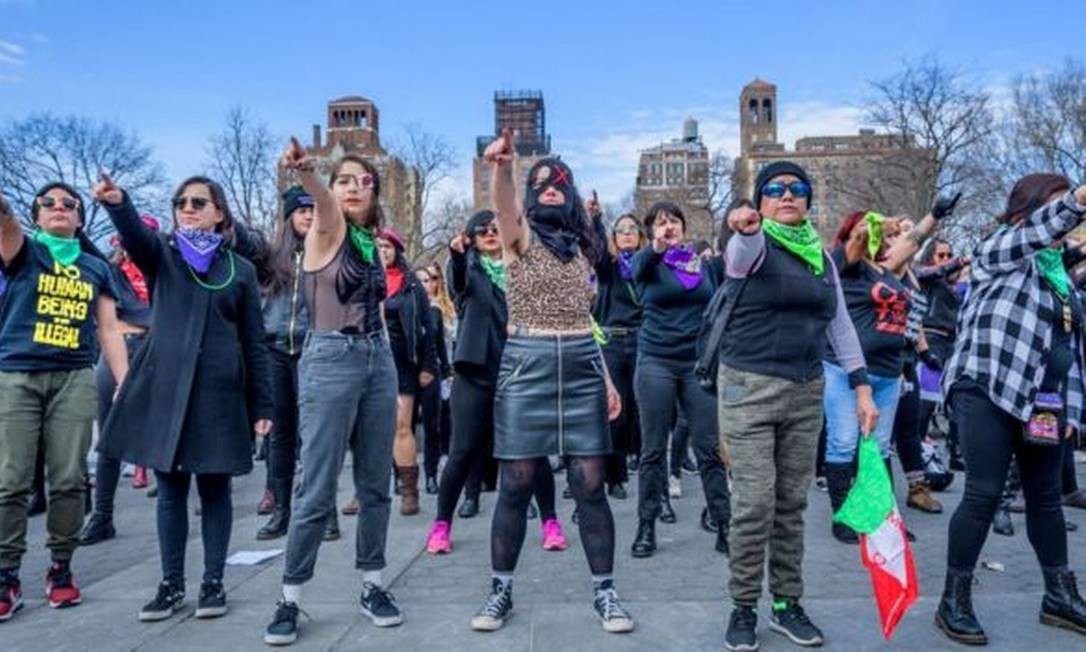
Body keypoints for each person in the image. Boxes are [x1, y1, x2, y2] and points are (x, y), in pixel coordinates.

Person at [469, 129, 633, 634]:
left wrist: (606, 379)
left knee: (590, 483)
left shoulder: (584, 248)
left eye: (559, 179)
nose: (550, 185)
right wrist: (503, 169)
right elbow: (503, 206)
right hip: (529, 363)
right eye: (540, 181)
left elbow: (588, 320)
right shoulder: (519, 237)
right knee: (516, 483)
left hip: (582, 360)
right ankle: (501, 591)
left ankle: (605, 594)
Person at [93, 173, 272, 622]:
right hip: (166, 388)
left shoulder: (240, 270)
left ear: (219, 213)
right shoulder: (164, 258)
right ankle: (171, 584)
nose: (187, 208)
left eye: (198, 202)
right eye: (180, 202)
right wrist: (119, 203)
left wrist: (263, 406)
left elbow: (254, 341)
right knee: (170, 490)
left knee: (214, 489)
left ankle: (213, 583)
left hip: (219, 393)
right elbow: (136, 238)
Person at [719, 162, 878, 651]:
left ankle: (787, 603)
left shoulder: (822, 259)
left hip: (806, 389)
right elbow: (738, 257)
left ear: (809, 200)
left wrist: (862, 387)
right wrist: (745, 228)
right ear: (759, 202)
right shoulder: (752, 242)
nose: (787, 196)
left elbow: (841, 326)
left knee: (791, 505)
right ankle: (743, 606)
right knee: (754, 503)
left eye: (797, 189)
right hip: (748, 387)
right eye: (775, 189)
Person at [936, 174, 1086, 645]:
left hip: (1043, 400)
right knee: (982, 492)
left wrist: (1073, 414)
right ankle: (953, 600)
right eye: (1056, 208)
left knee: (1044, 498)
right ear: (1030, 208)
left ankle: (1059, 597)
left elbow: (1071, 348)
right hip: (986, 387)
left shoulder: (1058, 275)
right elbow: (1039, 231)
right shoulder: (999, 248)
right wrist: (1079, 199)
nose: (1064, 222)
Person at [264, 140, 400, 646]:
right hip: (331, 358)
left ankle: (372, 585)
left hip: (377, 359)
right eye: (346, 179)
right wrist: (309, 174)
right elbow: (321, 202)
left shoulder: (371, 242)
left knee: (374, 483)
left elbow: (378, 307)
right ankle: (290, 598)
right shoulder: (327, 229)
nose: (355, 187)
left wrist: (385, 359)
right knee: (316, 487)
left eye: (365, 181)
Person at [0, 182, 128, 621]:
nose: (58, 208)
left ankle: (60, 568)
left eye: (68, 204)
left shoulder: (96, 267)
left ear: (79, 218)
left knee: (70, 478)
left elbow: (109, 328)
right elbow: (6, 226)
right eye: (48, 203)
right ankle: (6, 575)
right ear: (36, 215)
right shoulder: (26, 253)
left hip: (74, 376)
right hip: (16, 375)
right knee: (12, 480)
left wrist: (123, 381)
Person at [425, 210, 566, 555]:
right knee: (461, 451)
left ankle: (550, 522)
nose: (490, 232)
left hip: (520, 371)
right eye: (482, 230)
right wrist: (457, 255)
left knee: (533, 450)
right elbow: (456, 280)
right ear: (471, 238)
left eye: (495, 228)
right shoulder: (469, 271)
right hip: (474, 373)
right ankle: (441, 525)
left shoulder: (521, 271)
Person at [823, 197, 957, 543]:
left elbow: (912, 244)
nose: (878, 240)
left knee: (881, 447)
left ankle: (880, 517)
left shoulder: (886, 269)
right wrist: (876, 224)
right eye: (871, 234)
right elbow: (856, 242)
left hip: (889, 371)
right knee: (844, 441)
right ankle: (844, 518)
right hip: (846, 370)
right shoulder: (843, 268)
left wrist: (935, 213)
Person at [628, 200, 731, 559]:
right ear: (651, 231)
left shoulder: (703, 266)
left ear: (684, 228)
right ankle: (646, 526)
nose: (668, 226)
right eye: (660, 222)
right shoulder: (647, 263)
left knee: (708, 448)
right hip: (655, 361)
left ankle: (723, 523)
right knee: (653, 450)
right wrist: (655, 247)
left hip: (696, 365)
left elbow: (719, 303)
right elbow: (637, 267)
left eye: (673, 221)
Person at [81, 214, 162, 546]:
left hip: (156, 347)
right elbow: (85, 247)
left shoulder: (163, 269)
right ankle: (102, 516)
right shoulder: (110, 272)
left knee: (170, 423)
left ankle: (195, 495)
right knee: (109, 433)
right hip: (117, 348)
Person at [882, 218, 946, 515]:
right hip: (885, 357)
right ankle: (881, 501)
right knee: (880, 436)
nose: (903, 237)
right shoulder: (887, 266)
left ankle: (918, 490)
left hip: (908, 357)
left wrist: (925, 352)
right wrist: (919, 228)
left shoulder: (910, 274)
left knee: (910, 429)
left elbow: (915, 318)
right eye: (896, 234)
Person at [378, 228, 438, 516]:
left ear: (397, 250)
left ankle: (409, 491)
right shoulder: (362, 278)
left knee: (402, 426)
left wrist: (427, 365)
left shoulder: (411, 284)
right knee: (374, 430)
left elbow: (427, 325)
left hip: (403, 362)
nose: (383, 251)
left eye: (388, 246)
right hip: (369, 362)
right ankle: (370, 489)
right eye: (378, 246)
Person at [589, 206, 644, 501]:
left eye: (632, 230)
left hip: (643, 341)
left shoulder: (649, 263)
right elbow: (595, 251)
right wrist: (597, 220)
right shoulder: (608, 266)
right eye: (620, 230)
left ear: (640, 237)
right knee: (616, 411)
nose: (626, 234)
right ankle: (615, 476)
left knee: (641, 409)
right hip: (612, 342)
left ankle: (649, 471)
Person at [416, 263, 454, 494]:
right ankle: (403, 477)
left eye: (430, 280)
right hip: (407, 373)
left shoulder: (437, 311)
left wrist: (447, 372)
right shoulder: (404, 305)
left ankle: (431, 475)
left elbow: (440, 345)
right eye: (421, 280)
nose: (426, 284)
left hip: (433, 372)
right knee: (404, 426)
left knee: (433, 426)